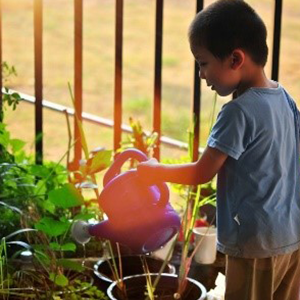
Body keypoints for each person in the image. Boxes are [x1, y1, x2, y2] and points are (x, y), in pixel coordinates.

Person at [137, 0, 300, 299]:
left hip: (256, 245)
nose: (201, 74)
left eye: (203, 62)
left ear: (235, 59)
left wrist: (154, 172)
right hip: (291, 237)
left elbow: (202, 172)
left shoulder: (239, 112)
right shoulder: (284, 98)